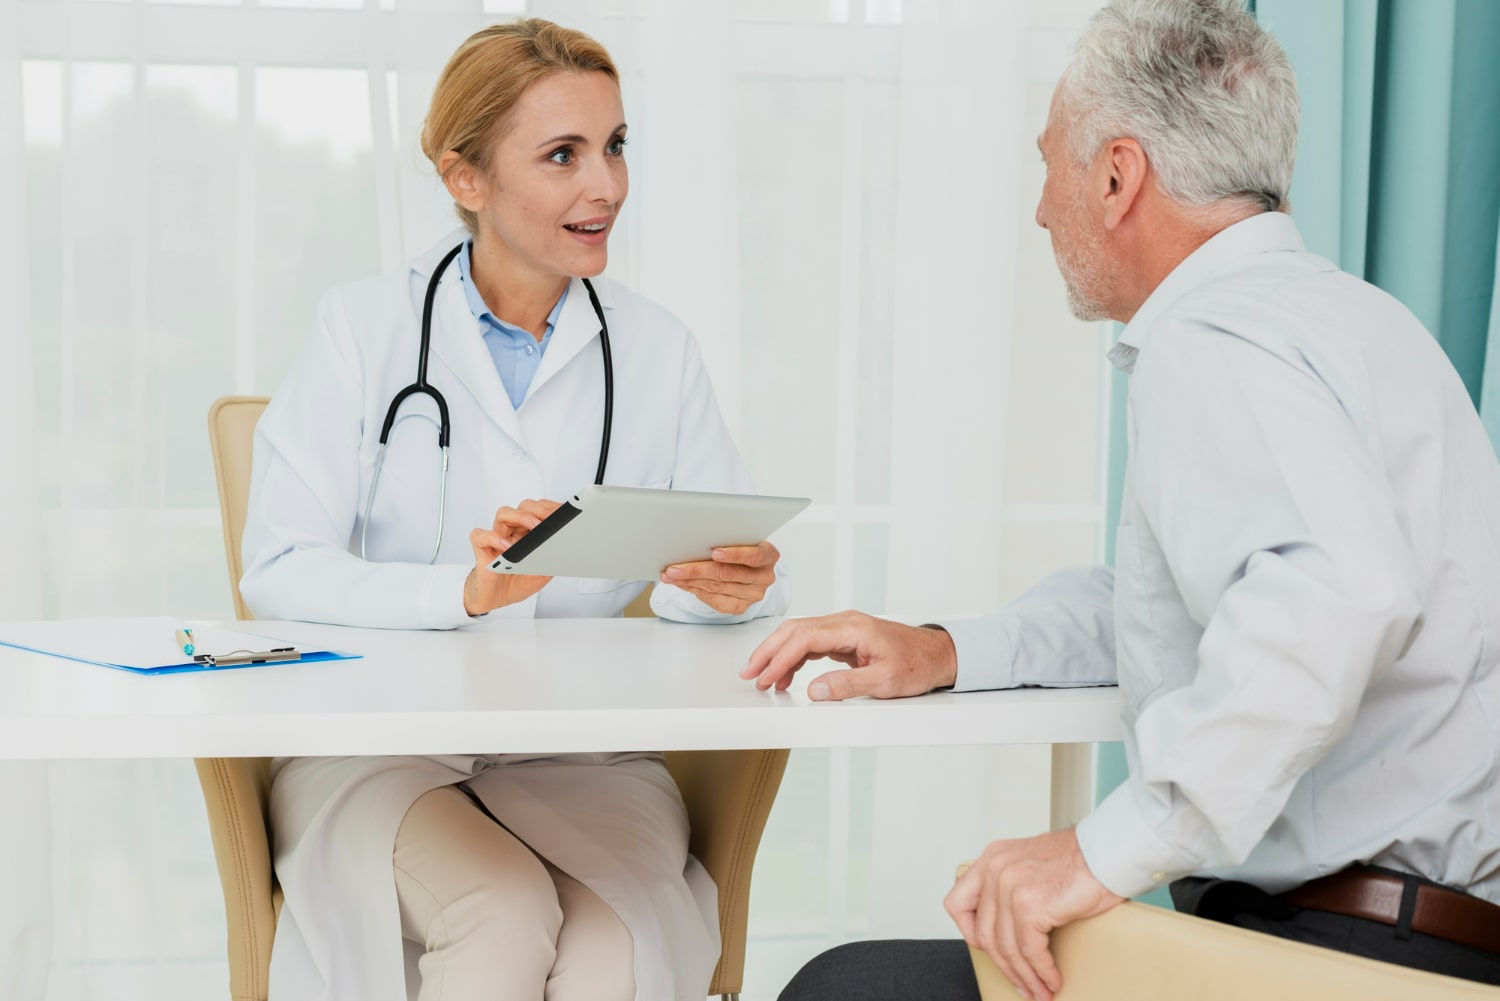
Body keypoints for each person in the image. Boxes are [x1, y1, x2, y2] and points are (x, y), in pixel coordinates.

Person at [747, 1, 1500, 999]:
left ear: (1115, 177)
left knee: (846, 987)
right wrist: (949, 648)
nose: (1041, 209)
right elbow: (1184, 603)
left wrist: (1104, 848)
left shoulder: (1214, 345)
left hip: (1341, 954)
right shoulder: (1359, 323)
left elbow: (1336, 594)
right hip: (1436, 939)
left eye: (1050, 163)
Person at [240, 19, 787, 1001]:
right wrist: (467, 588)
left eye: (616, 146)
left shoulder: (658, 350)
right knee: (499, 910)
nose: (607, 186)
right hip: (382, 743)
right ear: (467, 178)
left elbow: (702, 582)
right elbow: (278, 566)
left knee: (614, 949)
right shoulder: (364, 330)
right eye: (563, 155)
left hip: (582, 746)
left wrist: (726, 585)